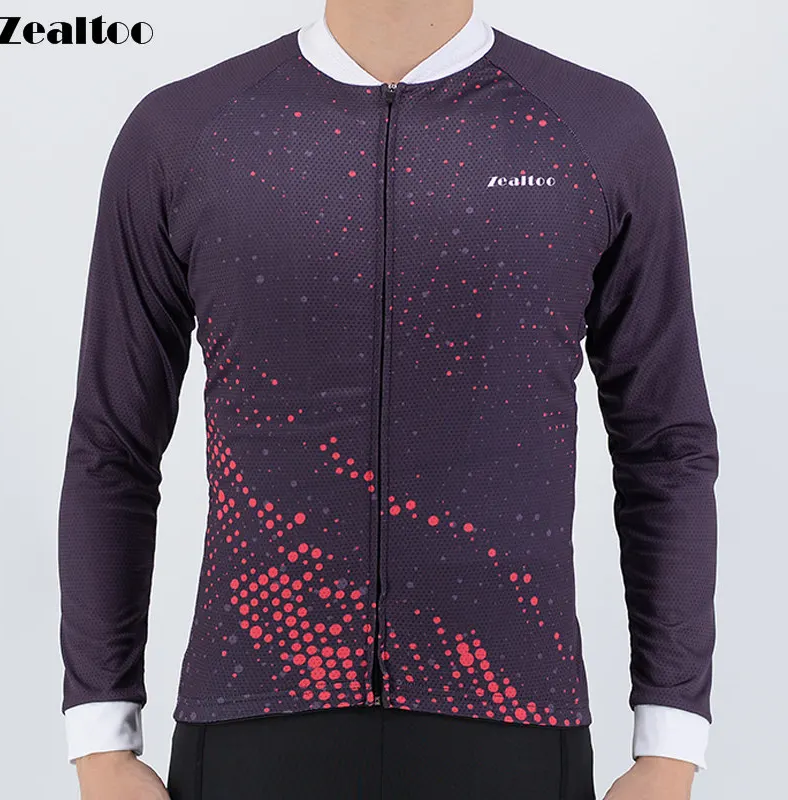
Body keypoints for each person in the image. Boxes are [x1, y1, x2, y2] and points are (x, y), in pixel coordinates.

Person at [57, 1, 719, 798]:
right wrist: (100, 739)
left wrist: (670, 744)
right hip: (253, 715)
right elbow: (112, 447)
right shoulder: (187, 132)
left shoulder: (595, 129)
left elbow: (666, 448)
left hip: (511, 717)